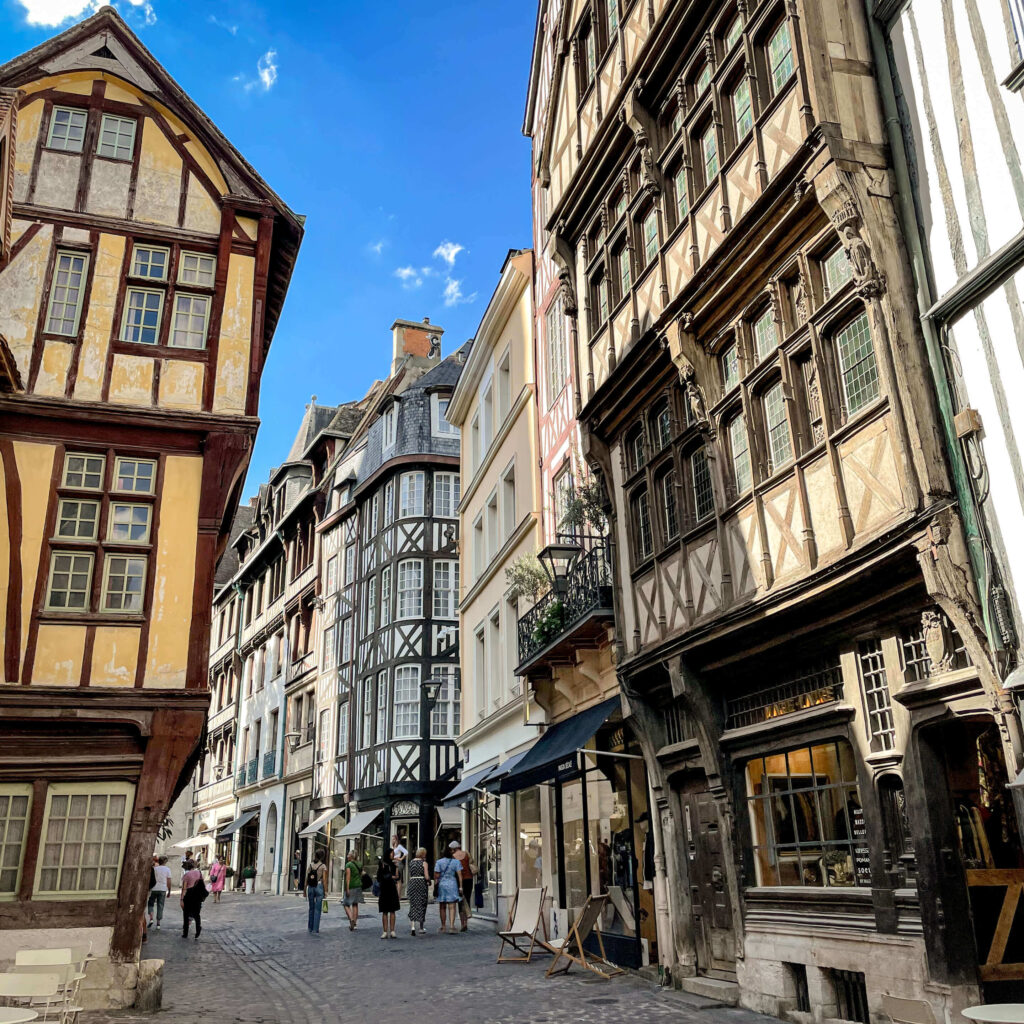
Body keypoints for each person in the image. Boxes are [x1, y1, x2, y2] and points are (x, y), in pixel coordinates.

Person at [434, 846, 462, 934]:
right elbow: (460, 876)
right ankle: (452, 926)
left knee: (442, 906)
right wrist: (461, 887)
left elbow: (436, 876)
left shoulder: (439, 862)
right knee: (452, 906)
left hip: (442, 884)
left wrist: (436, 882)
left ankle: (443, 926)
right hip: (452, 884)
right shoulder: (456, 862)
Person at [449, 839, 474, 932]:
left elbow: (453, 870)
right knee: (467, 899)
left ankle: (462, 923)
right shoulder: (466, 854)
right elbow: (471, 862)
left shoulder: (453, 857)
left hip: (459, 881)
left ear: (453, 849)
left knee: (460, 901)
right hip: (469, 879)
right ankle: (466, 923)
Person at [376, 847, 400, 939]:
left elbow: (397, 877)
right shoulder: (382, 863)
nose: (393, 855)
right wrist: (390, 876)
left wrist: (397, 867)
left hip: (392, 888)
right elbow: (379, 876)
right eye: (392, 853)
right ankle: (385, 931)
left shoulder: (393, 864)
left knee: (392, 910)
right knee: (385, 911)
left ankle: (392, 931)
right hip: (384, 888)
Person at [406, 847, 430, 936]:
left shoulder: (411, 862)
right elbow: (427, 876)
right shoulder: (424, 863)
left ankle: (412, 926)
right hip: (421, 883)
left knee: (413, 904)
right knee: (422, 904)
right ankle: (421, 927)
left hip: (412, 882)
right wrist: (429, 881)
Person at [180, 858, 204, 940]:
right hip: (197, 896)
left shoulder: (186, 875)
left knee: (186, 914)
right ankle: (198, 929)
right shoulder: (199, 873)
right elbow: (202, 884)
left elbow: (184, 888)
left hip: (189, 895)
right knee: (197, 914)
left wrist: (181, 899)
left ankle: (185, 932)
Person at [148, 855, 172, 928]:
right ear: (165, 862)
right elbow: (169, 881)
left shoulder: (155, 869)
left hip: (154, 888)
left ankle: (151, 918)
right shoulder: (167, 869)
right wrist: (169, 891)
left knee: (150, 903)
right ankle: (158, 923)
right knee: (160, 905)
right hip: (163, 889)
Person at [306, 853, 327, 934]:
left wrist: (304, 889)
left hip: (310, 887)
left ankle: (309, 928)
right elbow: (324, 880)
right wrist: (325, 891)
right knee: (317, 909)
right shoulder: (323, 866)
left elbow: (307, 878)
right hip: (319, 886)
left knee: (311, 909)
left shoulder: (310, 865)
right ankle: (315, 929)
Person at [343, 849, 363, 931]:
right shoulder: (360, 864)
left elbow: (348, 878)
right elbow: (360, 875)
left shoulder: (348, 865)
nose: (347, 856)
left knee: (346, 904)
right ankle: (354, 923)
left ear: (351, 856)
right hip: (358, 886)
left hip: (351, 886)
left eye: (348, 854)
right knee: (355, 904)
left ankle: (351, 919)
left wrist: (347, 889)